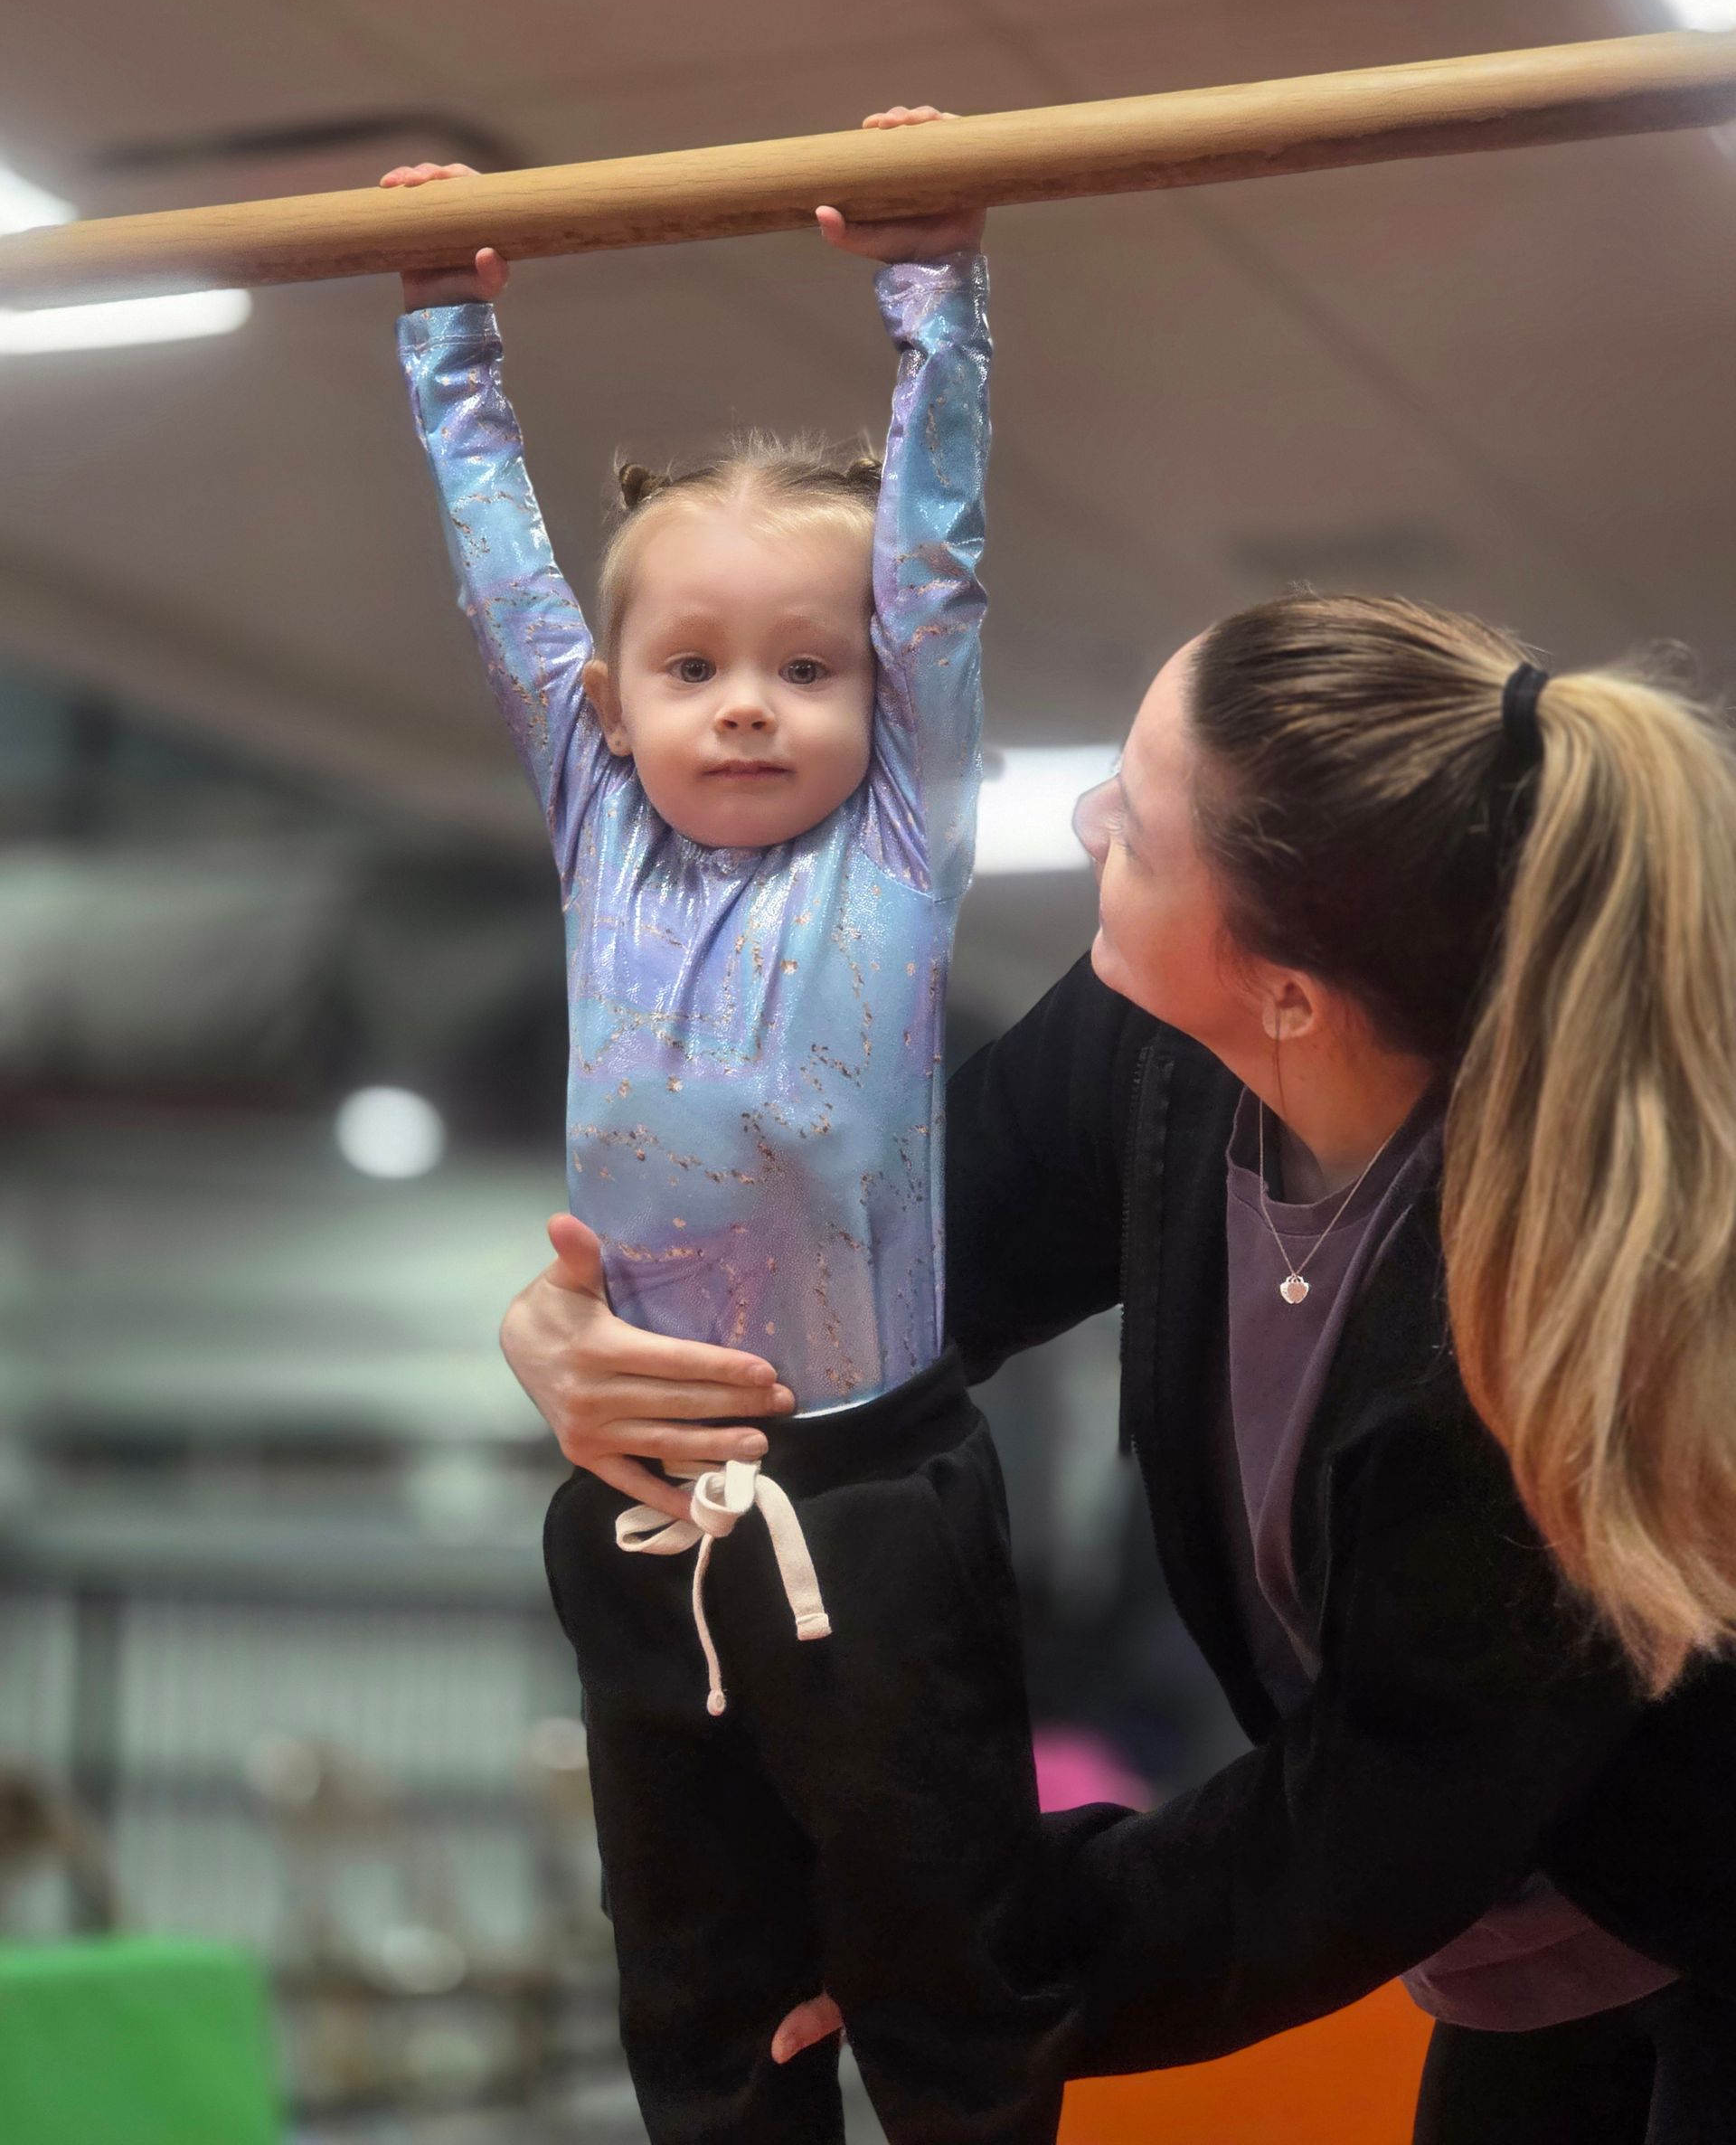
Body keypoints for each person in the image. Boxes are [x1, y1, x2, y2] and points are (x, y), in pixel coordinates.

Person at [503, 594, 1736, 2142]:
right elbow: (865, 1286)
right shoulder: (1158, 1045)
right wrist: (589, 1331)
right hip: (1532, 1920)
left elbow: (1358, 1832)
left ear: (1287, 988)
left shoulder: (1532, 1331)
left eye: (1138, 826)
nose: (1088, 819)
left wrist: (948, 1955)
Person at [383, 118, 1069, 2145]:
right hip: (644, 1491)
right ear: (608, 700)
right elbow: (506, 580)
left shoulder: (900, 843)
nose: (750, 706)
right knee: (697, 1969)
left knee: (942, 1952)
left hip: (870, 1486)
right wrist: (445, 325)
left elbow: (933, 559)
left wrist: (933, 288)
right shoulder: (603, 823)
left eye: (806, 666)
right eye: (692, 669)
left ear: (889, 698)